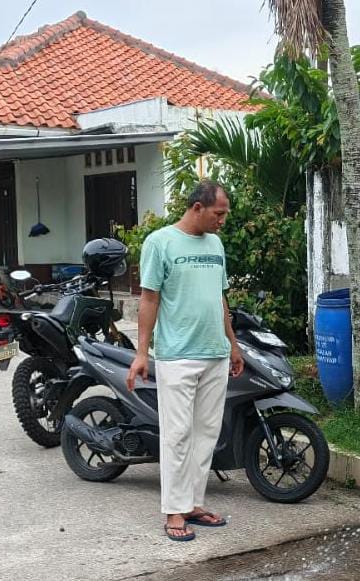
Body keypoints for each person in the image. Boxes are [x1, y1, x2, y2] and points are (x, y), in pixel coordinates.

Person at [127, 179, 245, 542]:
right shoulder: (160, 242)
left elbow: (220, 299)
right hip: (177, 355)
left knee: (206, 434)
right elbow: (149, 299)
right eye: (218, 213)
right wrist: (142, 352)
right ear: (197, 208)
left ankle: (193, 503)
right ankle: (174, 512)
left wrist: (233, 345)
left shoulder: (215, 244)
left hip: (215, 354)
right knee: (177, 435)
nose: (222, 220)